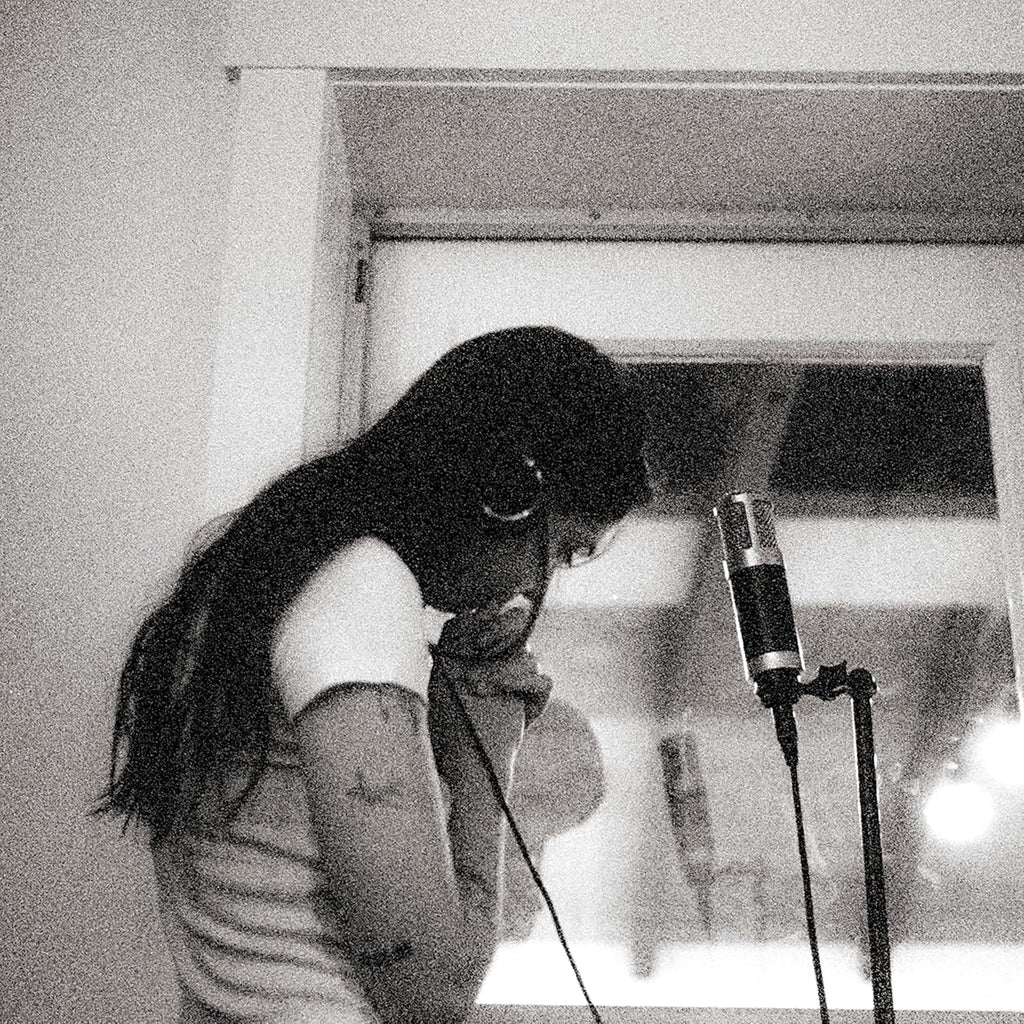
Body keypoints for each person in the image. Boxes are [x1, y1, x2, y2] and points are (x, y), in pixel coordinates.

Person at [95, 326, 650, 1024]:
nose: (530, 588)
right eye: (562, 551)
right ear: (508, 495)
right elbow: (433, 995)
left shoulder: (270, 565)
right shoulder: (362, 587)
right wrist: (485, 747)